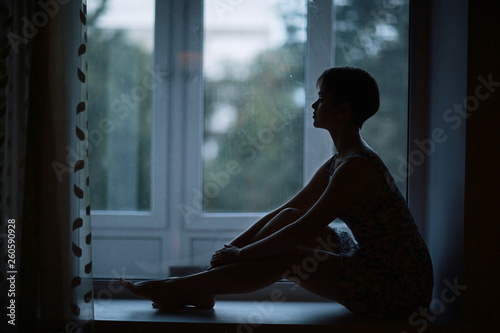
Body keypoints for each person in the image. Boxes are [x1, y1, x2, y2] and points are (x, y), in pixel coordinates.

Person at [120, 66, 433, 319]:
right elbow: (290, 211)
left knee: (288, 256)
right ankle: (198, 287)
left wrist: (240, 255)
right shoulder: (340, 161)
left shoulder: (356, 168)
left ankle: (176, 289)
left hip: (397, 287)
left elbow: (305, 228)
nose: (313, 105)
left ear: (342, 111)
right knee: (287, 215)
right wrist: (229, 253)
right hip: (371, 261)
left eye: (321, 98)